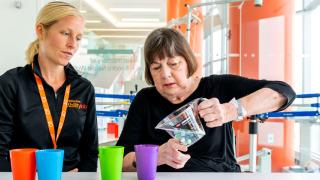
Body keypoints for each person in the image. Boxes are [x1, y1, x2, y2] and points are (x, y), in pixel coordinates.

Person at [116, 27, 296, 172]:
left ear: (188, 62)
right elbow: (120, 161)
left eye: (173, 64)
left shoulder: (218, 87)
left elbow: (283, 92)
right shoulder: (145, 100)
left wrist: (231, 110)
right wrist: (154, 156)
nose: (165, 74)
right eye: (156, 67)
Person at [0, 1, 98, 172]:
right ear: (40, 31)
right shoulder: (11, 84)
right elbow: (0, 154)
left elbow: (90, 153)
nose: (72, 44)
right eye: (65, 33)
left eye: (78, 38)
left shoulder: (83, 89)